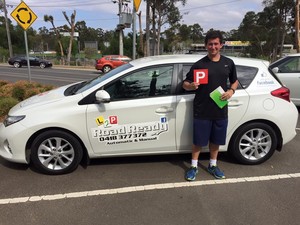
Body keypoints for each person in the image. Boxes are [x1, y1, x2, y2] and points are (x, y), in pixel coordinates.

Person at [182, 30, 239, 181]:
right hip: (202, 110)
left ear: (221, 45)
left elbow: (235, 81)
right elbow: (185, 83)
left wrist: (231, 91)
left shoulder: (228, 63)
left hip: (220, 109)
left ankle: (212, 165)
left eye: (216, 44)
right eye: (210, 44)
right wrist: (191, 85)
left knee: (216, 141)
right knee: (198, 141)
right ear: (206, 45)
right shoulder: (199, 64)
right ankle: (194, 166)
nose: (213, 47)